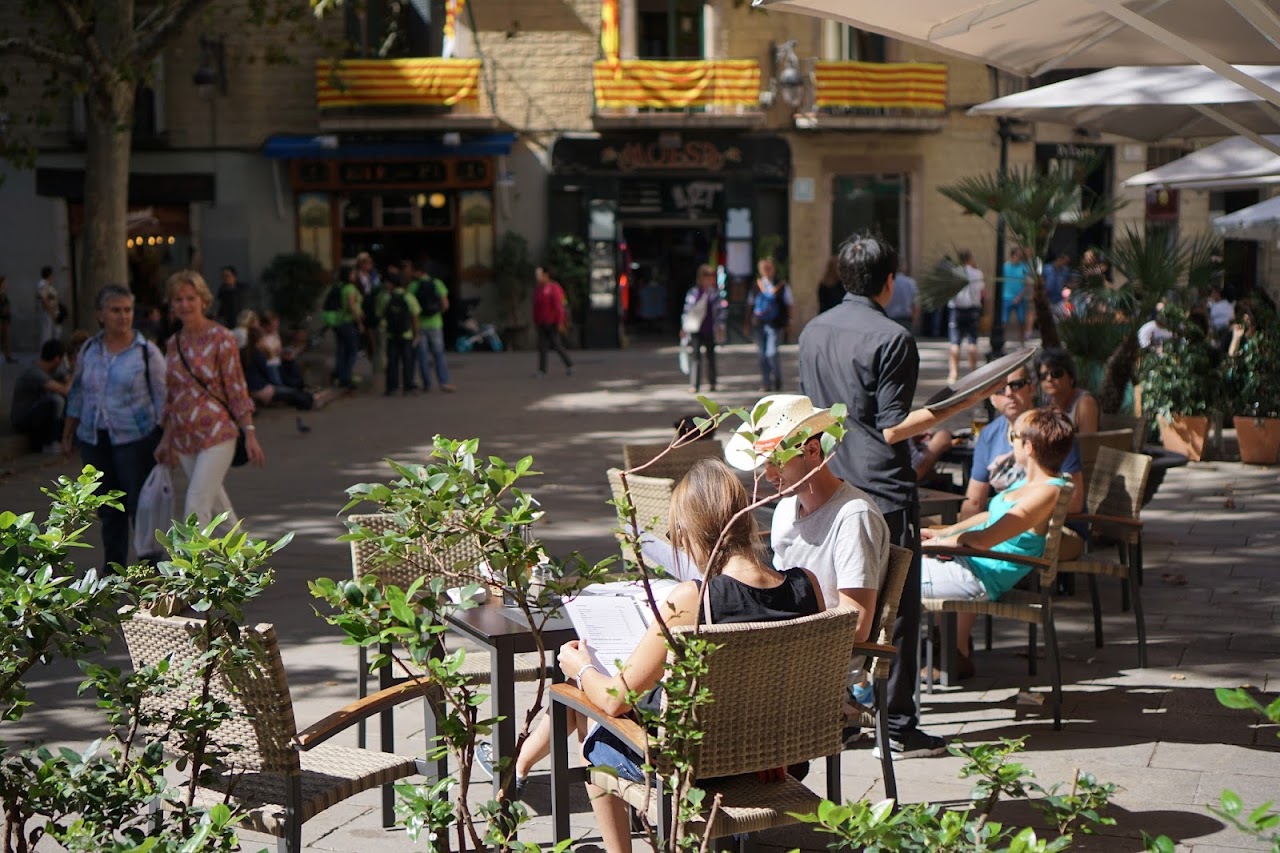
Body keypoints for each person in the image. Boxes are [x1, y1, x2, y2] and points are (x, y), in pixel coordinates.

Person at [557, 458, 823, 853]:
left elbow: (615, 699)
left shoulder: (693, 599)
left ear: (691, 532)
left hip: (698, 770)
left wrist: (581, 671)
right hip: (776, 758)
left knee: (591, 723)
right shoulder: (806, 585)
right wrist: (775, 742)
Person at [799, 232, 990, 760]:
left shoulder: (812, 331)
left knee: (829, 602)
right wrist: (957, 405)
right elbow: (891, 428)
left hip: (824, 481)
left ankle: (833, 712)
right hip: (881, 488)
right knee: (896, 611)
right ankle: (898, 724)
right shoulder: (892, 337)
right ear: (890, 282)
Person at [921, 407, 1074, 674]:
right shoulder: (1027, 484)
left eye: (1013, 436)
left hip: (979, 575)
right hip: (971, 564)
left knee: (887, 577)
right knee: (884, 566)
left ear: (1028, 447)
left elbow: (984, 540)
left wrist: (944, 543)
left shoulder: (1047, 491)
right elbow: (988, 516)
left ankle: (868, 680)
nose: (1010, 440)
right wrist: (943, 533)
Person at [61, 284, 166, 570]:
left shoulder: (146, 352)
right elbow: (78, 393)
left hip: (136, 440)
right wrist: (68, 432)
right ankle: (113, 570)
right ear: (100, 315)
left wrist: (167, 440)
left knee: (140, 507)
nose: (123, 316)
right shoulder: (89, 349)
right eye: (115, 310)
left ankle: (151, 571)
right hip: (95, 440)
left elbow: (163, 399)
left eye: (127, 310)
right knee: (108, 509)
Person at [154, 270, 264, 529]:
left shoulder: (221, 338)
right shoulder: (173, 344)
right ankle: (243, 563)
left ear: (203, 300)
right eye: (178, 299)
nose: (185, 305)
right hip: (185, 437)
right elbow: (172, 397)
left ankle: (190, 568)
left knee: (196, 503)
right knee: (217, 508)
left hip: (217, 433)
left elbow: (237, 389)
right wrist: (166, 439)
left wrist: (249, 432)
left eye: (190, 298)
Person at [959, 365, 1084, 521]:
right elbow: (974, 502)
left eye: (1016, 385)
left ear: (1031, 388)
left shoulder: (1053, 430)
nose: (1009, 393)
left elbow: (1074, 502)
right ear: (991, 398)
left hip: (1056, 529)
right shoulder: (987, 435)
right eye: (1000, 389)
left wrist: (1010, 512)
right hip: (1005, 525)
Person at [11, 339, 69, 453]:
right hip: (23, 417)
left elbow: (68, 382)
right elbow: (65, 390)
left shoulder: (53, 371)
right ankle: (50, 443)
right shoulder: (34, 373)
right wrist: (74, 376)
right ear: (57, 359)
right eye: (63, 359)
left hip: (37, 416)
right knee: (56, 401)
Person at [406, 259, 455, 393]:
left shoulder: (413, 286)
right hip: (435, 323)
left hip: (419, 325)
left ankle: (427, 384)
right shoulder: (437, 283)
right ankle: (444, 382)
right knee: (439, 354)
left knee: (422, 356)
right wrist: (436, 313)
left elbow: (410, 308)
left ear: (417, 272)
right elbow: (446, 305)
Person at [376, 272, 421, 395]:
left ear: (391, 284)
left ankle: (392, 387)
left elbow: (379, 314)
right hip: (406, 334)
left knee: (392, 361)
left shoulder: (385, 297)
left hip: (391, 334)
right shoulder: (409, 297)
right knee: (408, 361)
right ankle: (408, 386)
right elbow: (415, 316)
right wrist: (416, 333)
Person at [1035, 348, 1099, 434]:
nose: (1049, 379)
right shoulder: (1045, 406)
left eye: (1056, 373)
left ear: (1071, 378)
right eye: (1043, 375)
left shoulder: (1084, 403)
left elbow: (1088, 444)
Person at [681, 264, 721, 393]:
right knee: (695, 357)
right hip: (695, 329)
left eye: (711, 277)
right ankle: (695, 384)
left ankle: (712, 382)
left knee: (711, 357)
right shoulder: (694, 292)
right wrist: (684, 327)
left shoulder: (715, 293)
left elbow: (720, 311)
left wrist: (720, 327)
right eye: (707, 276)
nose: (709, 279)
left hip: (710, 329)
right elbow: (687, 310)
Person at [751, 258, 790, 392]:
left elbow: (789, 304)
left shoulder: (781, 285)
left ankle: (777, 379)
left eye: (769, 268)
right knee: (762, 355)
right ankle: (766, 383)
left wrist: (789, 322)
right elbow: (750, 304)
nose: (767, 271)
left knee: (772, 353)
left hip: (775, 324)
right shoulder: (757, 285)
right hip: (760, 324)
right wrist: (749, 321)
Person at [324, 264, 363, 390]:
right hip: (348, 322)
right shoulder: (350, 288)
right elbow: (352, 306)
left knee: (341, 350)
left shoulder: (340, 287)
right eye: (352, 273)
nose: (354, 275)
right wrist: (359, 322)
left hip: (339, 322)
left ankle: (339, 376)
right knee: (353, 351)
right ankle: (346, 377)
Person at [947, 251, 984, 383]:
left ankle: (953, 373)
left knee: (955, 343)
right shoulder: (977, 273)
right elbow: (981, 291)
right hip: (973, 309)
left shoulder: (953, 272)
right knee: (972, 342)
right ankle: (973, 372)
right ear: (969, 259)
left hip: (956, 310)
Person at [532, 265, 573, 378]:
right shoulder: (538, 289)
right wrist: (535, 320)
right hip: (541, 322)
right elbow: (535, 306)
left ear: (546, 275)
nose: (537, 277)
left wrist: (560, 322)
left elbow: (559, 306)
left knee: (556, 345)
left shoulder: (554, 288)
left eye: (539, 275)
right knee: (542, 346)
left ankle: (569, 364)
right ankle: (542, 370)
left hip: (552, 322)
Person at [1000, 248, 1032, 345]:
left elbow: (1027, 283)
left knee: (1022, 320)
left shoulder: (1023, 267)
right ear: (1012, 256)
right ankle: (1001, 340)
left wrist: (1020, 296)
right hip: (1006, 297)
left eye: (1020, 256)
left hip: (1020, 298)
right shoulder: (1005, 267)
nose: (1018, 257)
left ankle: (1022, 341)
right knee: (1003, 321)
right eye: (1017, 255)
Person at [885, 264, 918, 332]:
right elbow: (915, 305)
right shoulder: (910, 282)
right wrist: (914, 321)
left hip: (889, 318)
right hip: (906, 320)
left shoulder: (887, 283)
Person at [36, 265, 62, 348]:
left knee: (55, 333)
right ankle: (45, 356)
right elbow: (44, 300)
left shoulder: (48, 284)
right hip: (47, 313)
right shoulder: (43, 284)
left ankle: (53, 353)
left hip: (52, 312)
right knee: (46, 335)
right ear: (49, 274)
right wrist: (52, 313)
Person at [1043, 253, 1073, 318]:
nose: (1065, 264)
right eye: (1064, 261)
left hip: (1059, 299)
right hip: (1047, 299)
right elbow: (1041, 281)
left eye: (1067, 263)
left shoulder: (1065, 271)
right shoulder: (1046, 268)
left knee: (1065, 316)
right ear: (1059, 259)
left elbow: (1067, 283)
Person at [0, 274, 12, 362]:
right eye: (5, 282)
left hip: (5, 319)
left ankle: (8, 356)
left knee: (6, 338)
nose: (6, 284)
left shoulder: (4, 293)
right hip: (1, 318)